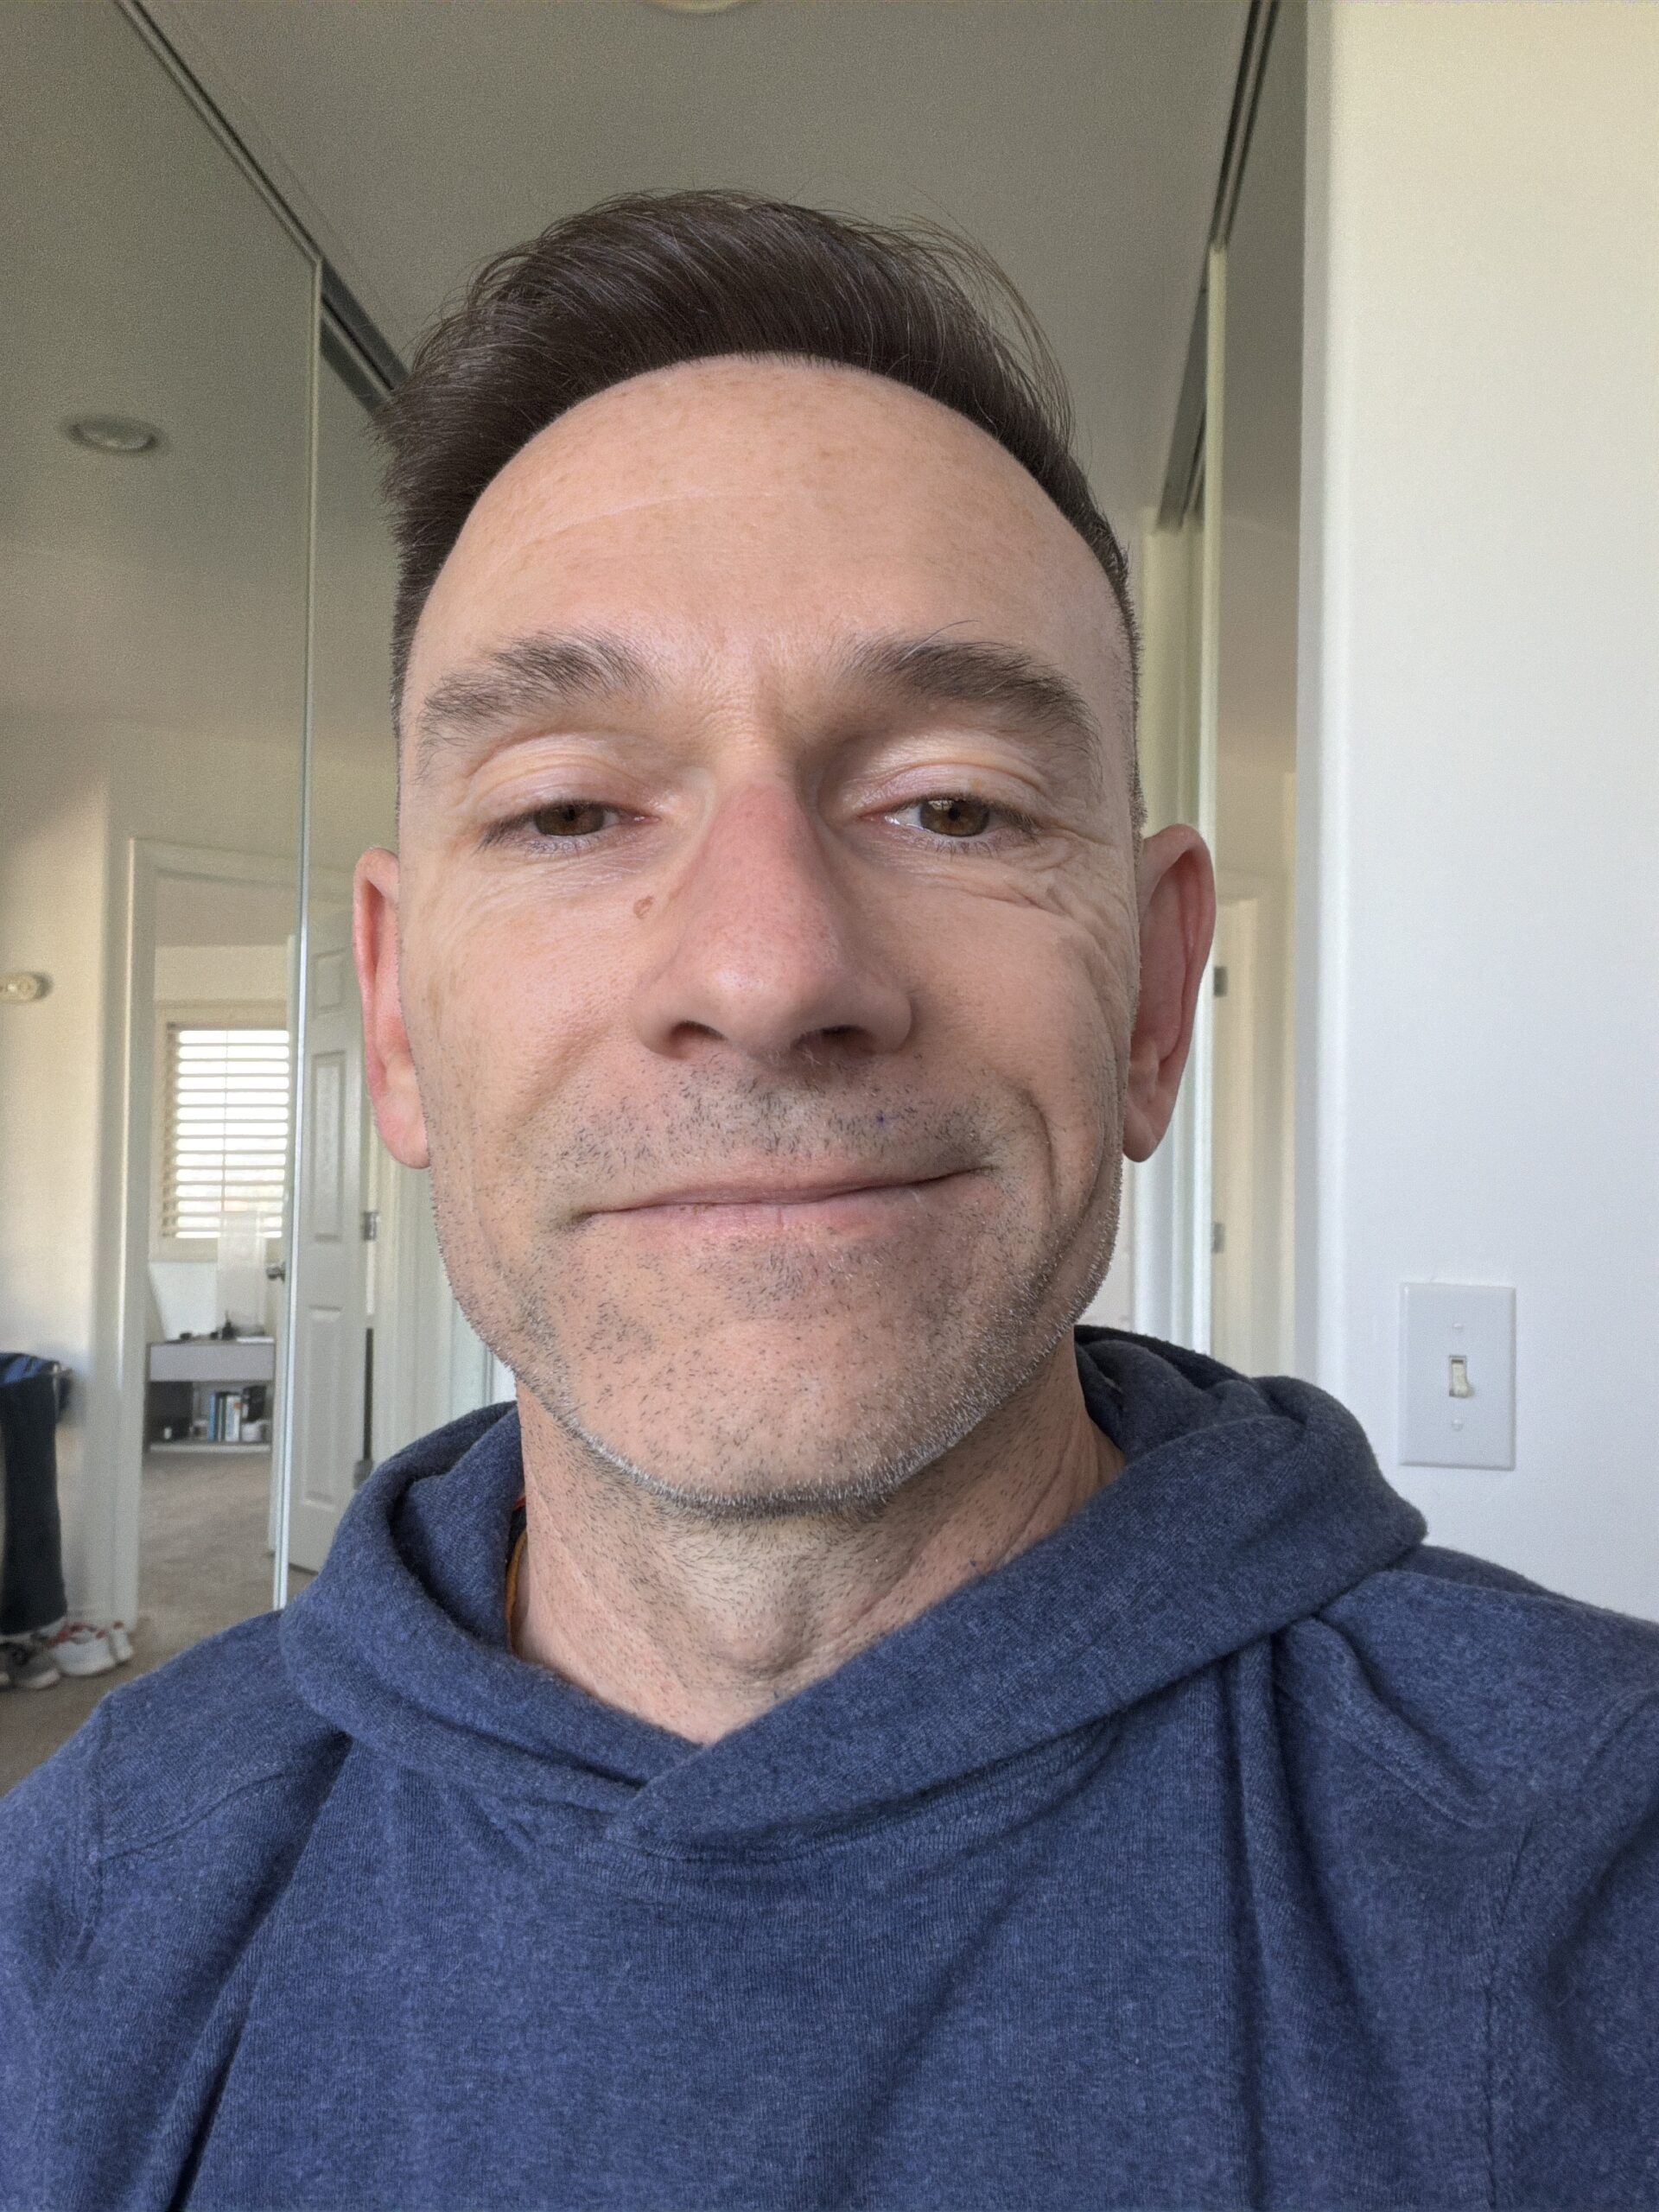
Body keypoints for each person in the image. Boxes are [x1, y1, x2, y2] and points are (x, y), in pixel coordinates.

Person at [3, 190, 1656, 2212]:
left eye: (951, 803)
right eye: (570, 809)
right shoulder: (87, 1894)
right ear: (399, 1016)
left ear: (1153, 997)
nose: (769, 967)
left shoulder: (1594, 1879)